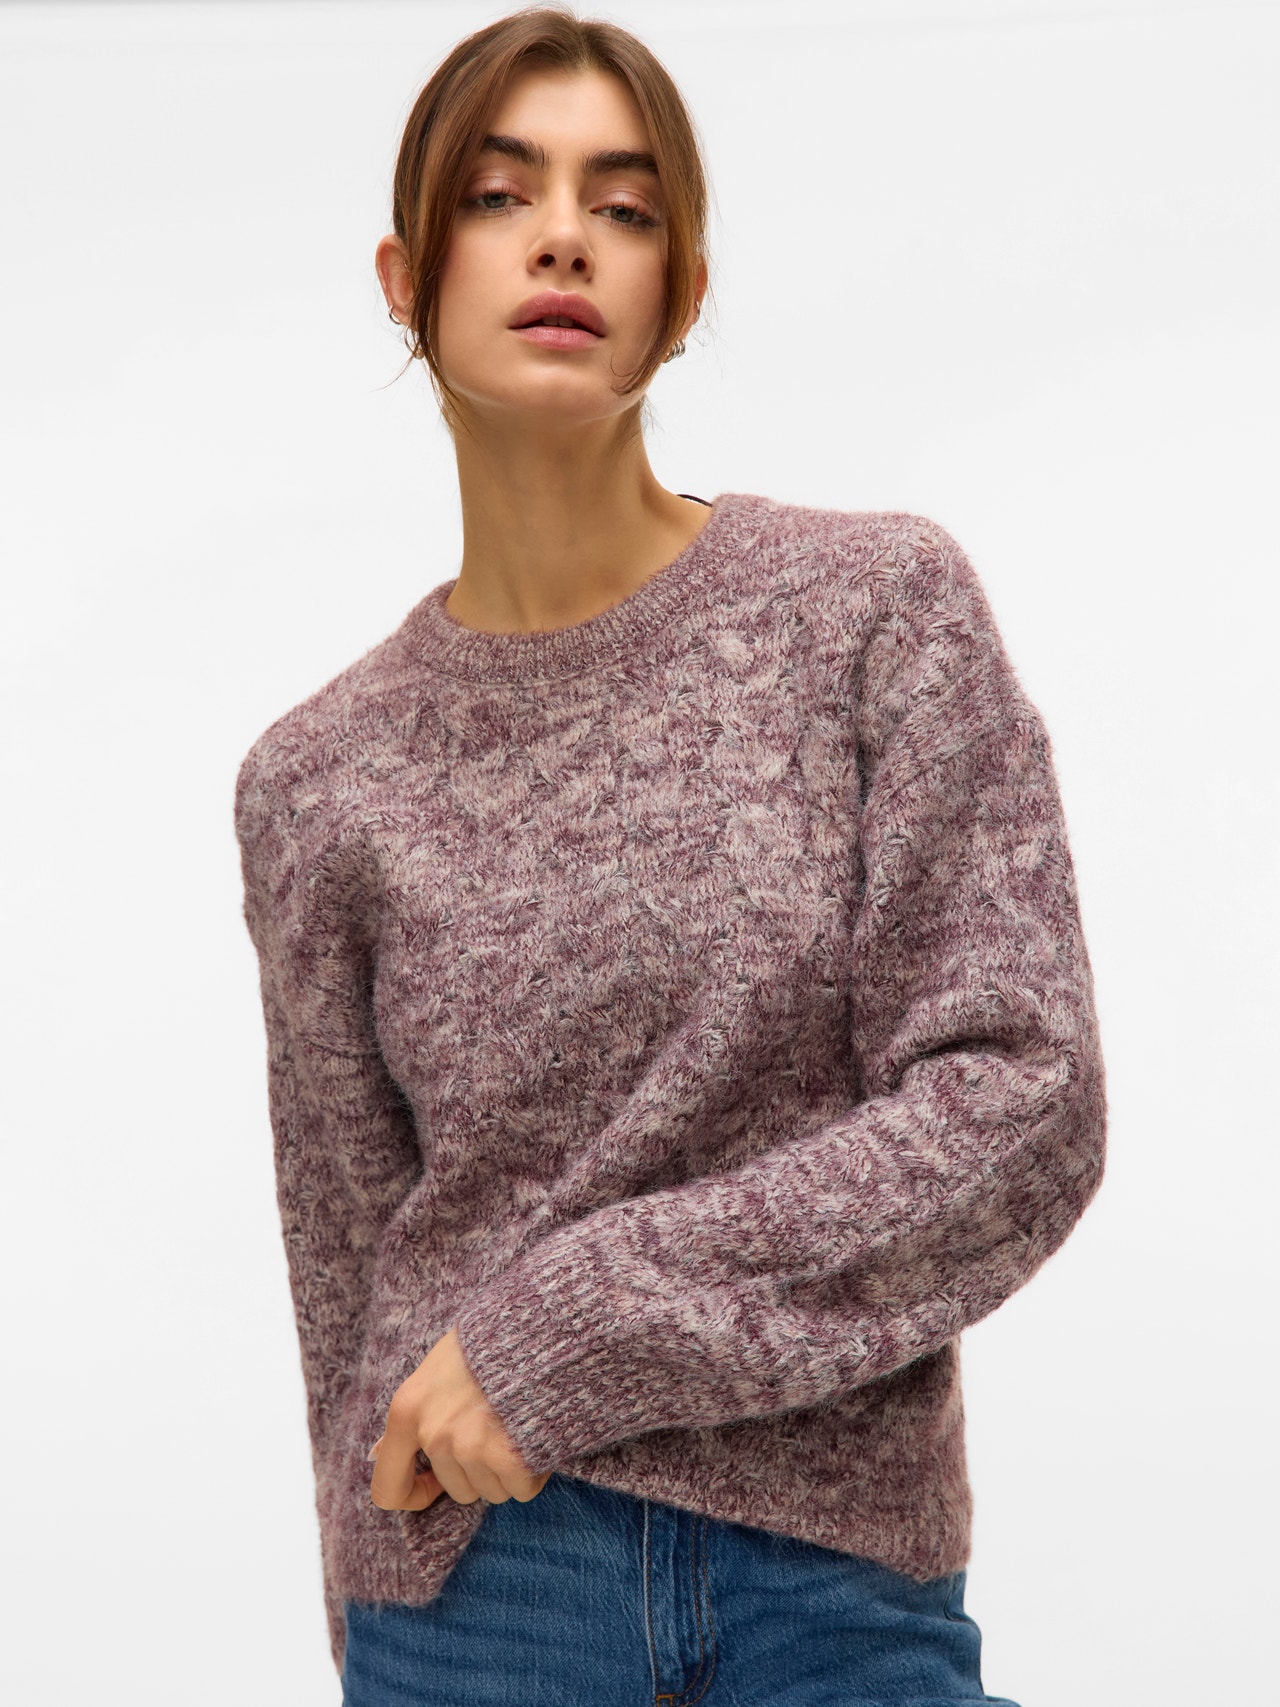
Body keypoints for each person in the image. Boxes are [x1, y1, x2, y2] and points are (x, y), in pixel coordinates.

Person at [233, 7, 1107, 1704]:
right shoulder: (315, 781)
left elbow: (1024, 1096)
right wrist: (373, 1611)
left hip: (829, 1581)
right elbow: (344, 1272)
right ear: (406, 279)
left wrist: (574, 1328)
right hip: (477, 1601)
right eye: (501, 195)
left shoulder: (872, 615)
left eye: (623, 208)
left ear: (682, 293)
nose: (563, 236)